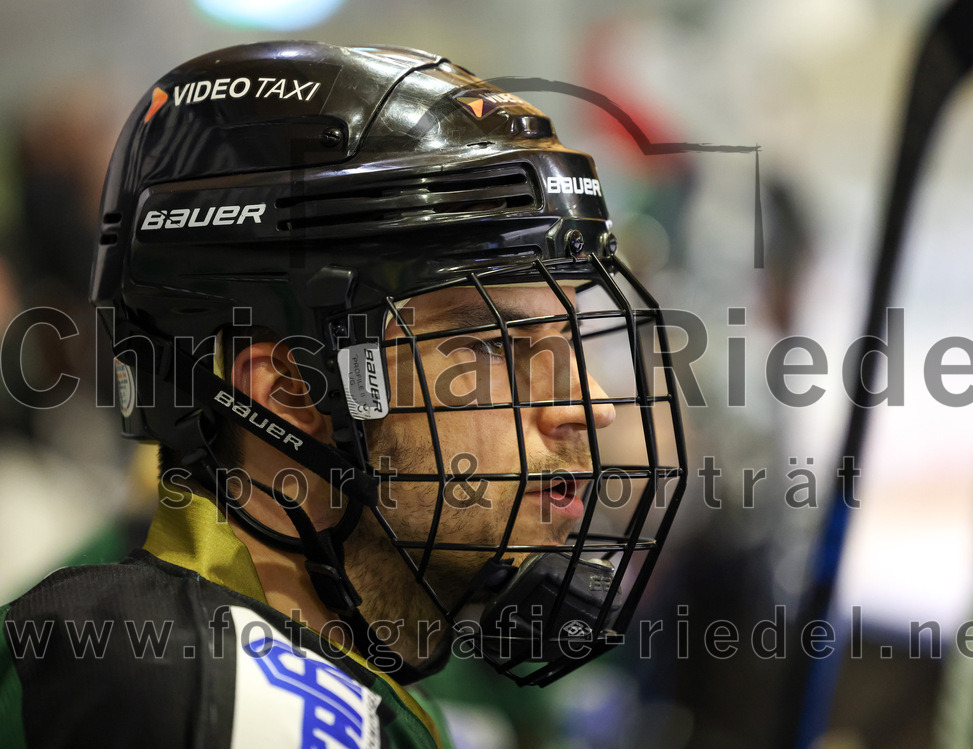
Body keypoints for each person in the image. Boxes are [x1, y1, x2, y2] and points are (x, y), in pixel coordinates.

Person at [0, 41, 686, 747]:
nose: (592, 403)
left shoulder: (339, 671)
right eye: (494, 345)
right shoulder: (183, 689)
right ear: (290, 391)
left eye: (571, 338)